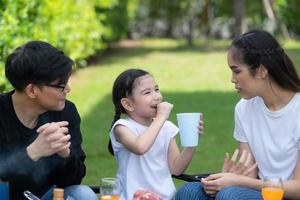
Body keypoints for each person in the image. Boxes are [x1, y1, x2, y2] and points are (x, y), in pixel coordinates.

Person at [175, 29, 300, 200]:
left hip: (286, 196)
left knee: (230, 195)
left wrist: (238, 182)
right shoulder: (244, 108)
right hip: (259, 192)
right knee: (188, 192)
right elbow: (248, 172)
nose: (232, 79)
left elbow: (298, 189)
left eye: (237, 71)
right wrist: (227, 178)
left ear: (262, 71)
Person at [0, 41, 98, 200]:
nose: (68, 90)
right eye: (61, 85)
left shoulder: (66, 112)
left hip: (48, 196)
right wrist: (33, 152)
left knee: (82, 194)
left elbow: (74, 180)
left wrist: (65, 154)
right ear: (32, 90)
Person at [108, 68, 203, 200]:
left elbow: (176, 168)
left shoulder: (166, 127)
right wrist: (160, 118)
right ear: (128, 104)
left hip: (166, 197)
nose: (157, 96)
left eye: (156, 89)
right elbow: (139, 147)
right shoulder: (122, 128)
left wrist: (191, 143)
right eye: (147, 92)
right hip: (133, 197)